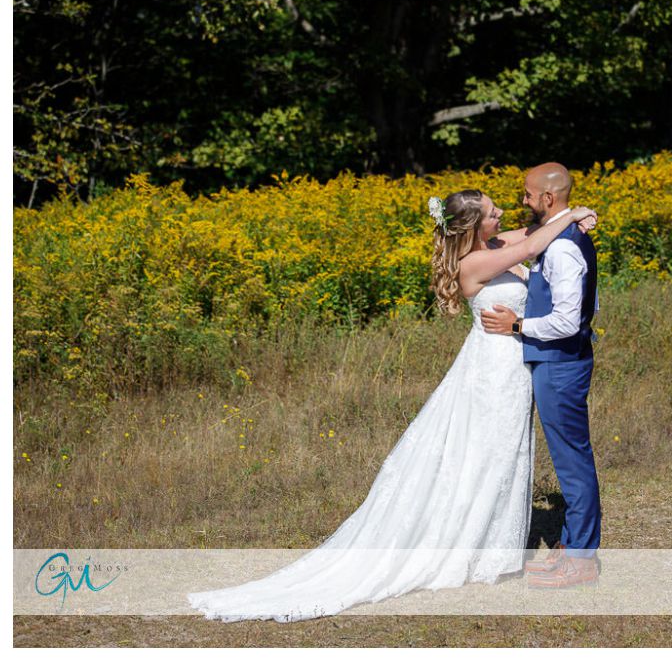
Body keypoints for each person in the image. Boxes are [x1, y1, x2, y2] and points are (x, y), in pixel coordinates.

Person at [186, 189, 597, 622]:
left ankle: (488, 545)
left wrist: (573, 218)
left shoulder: (494, 244)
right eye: (493, 213)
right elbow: (534, 243)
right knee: (488, 454)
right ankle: (470, 547)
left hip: (513, 365)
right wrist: (575, 217)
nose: (502, 215)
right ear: (475, 227)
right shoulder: (473, 263)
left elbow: (532, 231)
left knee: (504, 454)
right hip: (494, 370)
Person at [481, 162, 601, 589]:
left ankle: (583, 560)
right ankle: (571, 545)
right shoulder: (560, 238)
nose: (524, 201)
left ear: (548, 199)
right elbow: (574, 297)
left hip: (560, 364)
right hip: (557, 362)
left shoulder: (566, 246)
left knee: (572, 463)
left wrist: (518, 326)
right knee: (570, 459)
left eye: (529, 195)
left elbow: (568, 321)